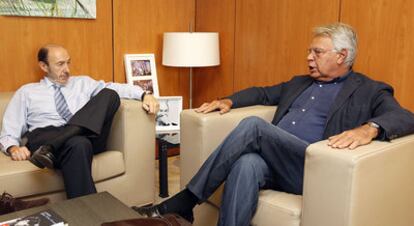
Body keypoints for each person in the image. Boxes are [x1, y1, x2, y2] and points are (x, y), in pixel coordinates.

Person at [134, 23, 414, 225]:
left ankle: (185, 201)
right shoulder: (299, 83)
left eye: (317, 52)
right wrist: (228, 100)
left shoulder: (368, 89)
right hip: (275, 162)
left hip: (311, 167)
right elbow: (263, 93)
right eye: (309, 51)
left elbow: (405, 117)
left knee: (254, 126)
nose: (309, 58)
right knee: (246, 165)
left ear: (341, 56)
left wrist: (370, 128)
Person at [0, 44, 159, 199]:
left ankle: (51, 147)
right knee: (78, 144)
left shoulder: (83, 83)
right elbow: (9, 130)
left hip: (81, 136)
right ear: (43, 66)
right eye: (60, 64)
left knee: (109, 94)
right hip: (48, 135)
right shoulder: (27, 92)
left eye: (68, 62)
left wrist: (145, 94)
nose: (67, 70)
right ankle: (90, 217)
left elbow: (116, 88)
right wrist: (14, 148)